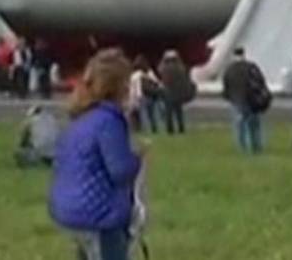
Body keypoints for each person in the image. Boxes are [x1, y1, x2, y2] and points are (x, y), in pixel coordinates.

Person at [48, 50, 143, 260]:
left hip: (72, 208)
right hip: (100, 215)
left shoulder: (82, 119)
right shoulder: (109, 121)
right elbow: (120, 171)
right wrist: (138, 158)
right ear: (119, 87)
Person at [221, 47, 269, 154]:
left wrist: (229, 97)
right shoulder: (251, 67)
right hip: (252, 100)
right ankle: (256, 146)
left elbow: (226, 86)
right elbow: (261, 82)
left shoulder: (229, 69)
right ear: (244, 54)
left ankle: (242, 147)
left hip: (236, 100)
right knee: (254, 125)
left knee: (239, 125)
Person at [158, 50, 195, 135]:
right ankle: (181, 128)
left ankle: (170, 129)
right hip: (178, 93)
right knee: (179, 113)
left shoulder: (165, 68)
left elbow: (160, 71)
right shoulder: (180, 68)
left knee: (169, 113)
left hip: (168, 93)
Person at [127, 56, 163, 133]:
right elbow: (157, 82)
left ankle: (145, 129)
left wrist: (133, 98)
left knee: (143, 114)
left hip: (140, 96)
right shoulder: (149, 73)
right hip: (150, 95)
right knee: (152, 114)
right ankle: (154, 128)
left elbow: (133, 88)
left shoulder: (134, 75)